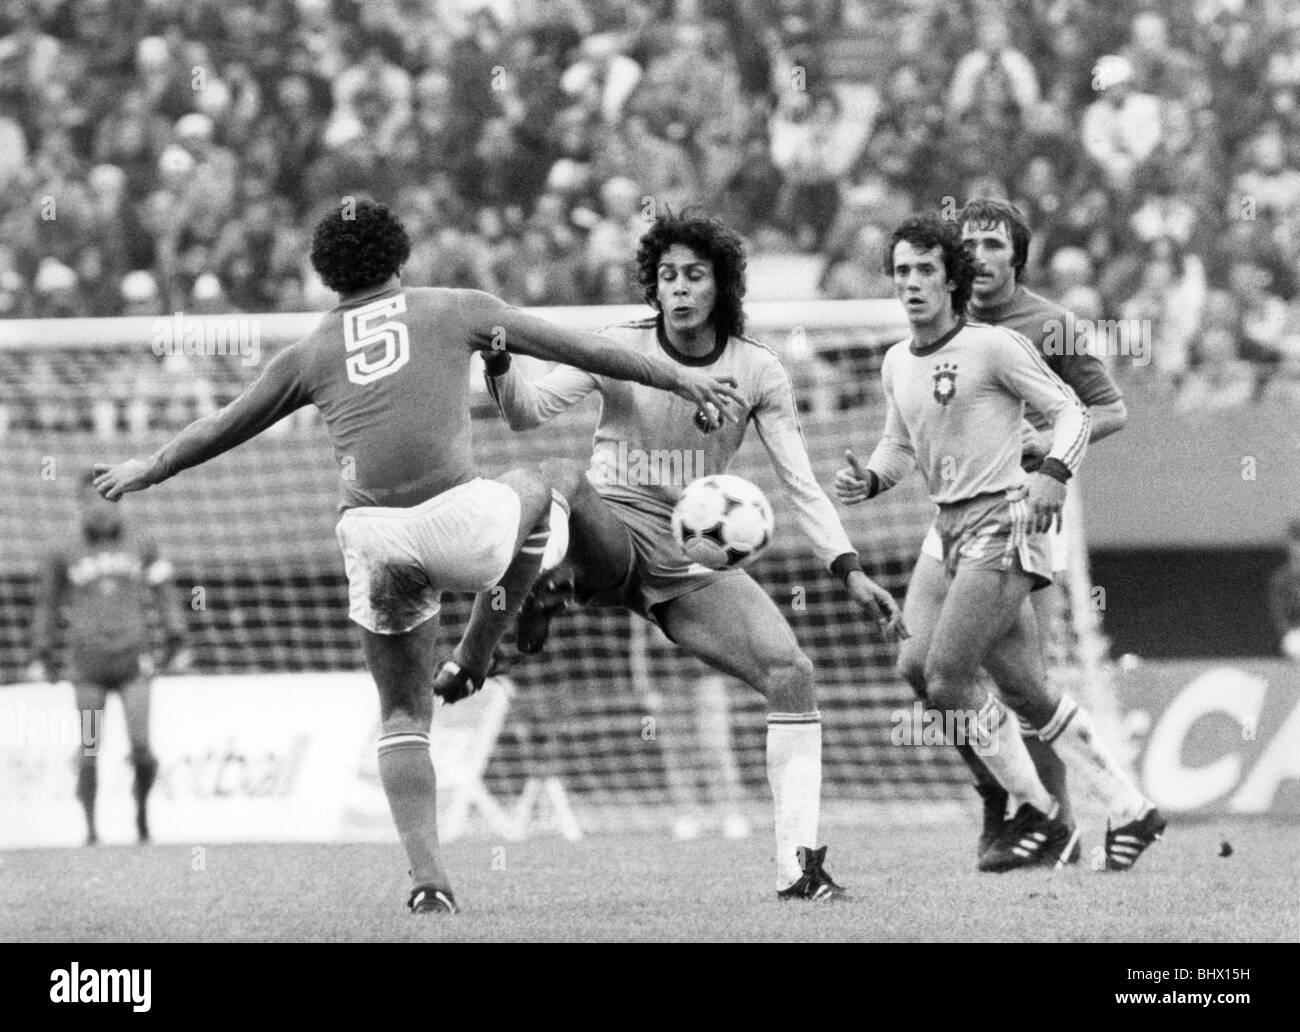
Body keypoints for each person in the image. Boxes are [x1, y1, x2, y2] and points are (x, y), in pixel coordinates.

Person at [92, 198, 744, 916]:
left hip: (371, 534)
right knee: (546, 480)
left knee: (402, 711)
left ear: (325, 277)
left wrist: (150, 467)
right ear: (400, 258)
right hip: (462, 523)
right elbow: (582, 350)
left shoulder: (309, 351)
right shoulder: (454, 307)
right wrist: (680, 378)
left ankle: (428, 881)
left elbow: (225, 425)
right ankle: (490, 638)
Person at [478, 207, 906, 899]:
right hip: (611, 523)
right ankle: (544, 584)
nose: (678, 288)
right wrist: (500, 364)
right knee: (561, 477)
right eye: (667, 276)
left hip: (690, 554)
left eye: (694, 276)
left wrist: (848, 569)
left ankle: (799, 868)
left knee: (792, 672)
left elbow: (800, 484)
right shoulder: (619, 345)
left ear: (721, 287)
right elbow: (525, 413)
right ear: (653, 284)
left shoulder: (758, 370)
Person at [835, 213, 1165, 872]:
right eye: (901, 271)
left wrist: (1052, 471)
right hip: (947, 524)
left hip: (1009, 516)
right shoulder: (897, 359)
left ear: (951, 278)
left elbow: (1080, 411)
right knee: (987, 680)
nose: (911, 283)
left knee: (950, 675)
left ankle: (1038, 812)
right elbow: (898, 443)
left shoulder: (998, 345)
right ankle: (1131, 809)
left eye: (926, 270)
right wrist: (871, 478)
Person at [952, 197, 1129, 861]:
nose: (981, 256)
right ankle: (1018, 813)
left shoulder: (1049, 324)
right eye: (970, 243)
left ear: (1017, 258)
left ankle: (1057, 826)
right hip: (955, 518)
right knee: (936, 670)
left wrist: (1044, 451)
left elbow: (1110, 409)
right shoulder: (945, 318)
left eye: (996, 245)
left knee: (1026, 682)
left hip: (1028, 518)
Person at [27, 469, 187, 845]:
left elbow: (165, 591)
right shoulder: (60, 550)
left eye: (108, 499)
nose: (100, 510)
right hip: (86, 666)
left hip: (134, 661)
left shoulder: (143, 543)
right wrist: (41, 653)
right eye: (91, 501)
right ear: (80, 505)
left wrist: (177, 638)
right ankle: (91, 831)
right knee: (89, 749)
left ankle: (142, 816)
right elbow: (46, 606)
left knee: (143, 748)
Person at [1269, 520, 1300, 660]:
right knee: (1295, 644)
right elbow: (1280, 616)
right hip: (1295, 635)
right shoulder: (1282, 578)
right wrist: (1288, 633)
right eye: (1296, 542)